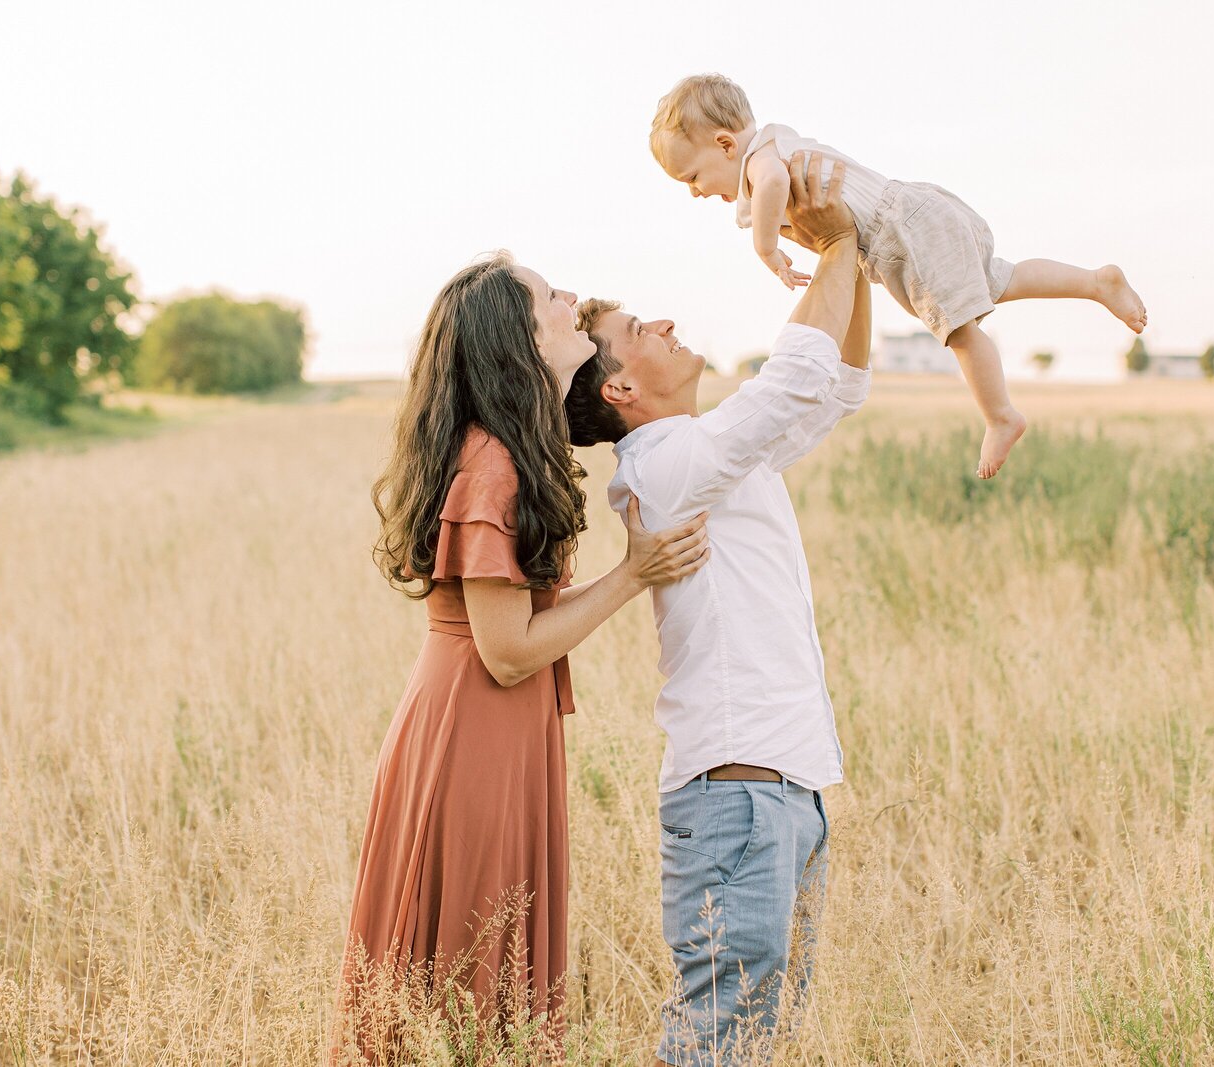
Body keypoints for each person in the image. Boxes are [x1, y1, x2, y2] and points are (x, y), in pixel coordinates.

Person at [333, 253, 711, 1062]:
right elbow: (506, 654)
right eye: (549, 296)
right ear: (518, 338)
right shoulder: (492, 462)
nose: (570, 297)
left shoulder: (508, 449)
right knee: (469, 957)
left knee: (478, 962)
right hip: (475, 728)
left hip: (491, 722)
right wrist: (633, 575)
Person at [564, 154, 866, 1067]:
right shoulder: (662, 468)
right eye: (635, 330)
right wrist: (844, 240)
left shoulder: (701, 453)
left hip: (786, 789)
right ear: (621, 388)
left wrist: (856, 261)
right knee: (717, 1042)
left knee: (753, 1039)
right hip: (738, 798)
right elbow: (787, 385)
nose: (661, 321)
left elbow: (835, 387)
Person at [649, 72, 1149, 479]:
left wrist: (765, 247)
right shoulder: (773, 146)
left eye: (692, 177)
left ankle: (1001, 416)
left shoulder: (762, 164)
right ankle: (1095, 282)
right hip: (914, 213)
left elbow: (776, 184)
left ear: (725, 144)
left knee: (959, 329)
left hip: (904, 231)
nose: (695, 192)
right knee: (1002, 278)